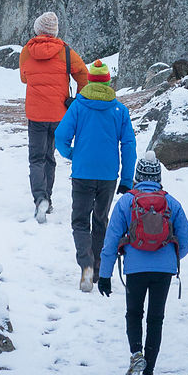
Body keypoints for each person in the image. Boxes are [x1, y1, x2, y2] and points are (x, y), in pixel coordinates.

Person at [96, 153, 188, 375]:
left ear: (138, 176)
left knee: (133, 313)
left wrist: (104, 275)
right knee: (155, 319)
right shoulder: (171, 203)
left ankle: (136, 353)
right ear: (158, 176)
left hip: (135, 268)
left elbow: (110, 243)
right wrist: (171, 258)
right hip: (164, 270)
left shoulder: (126, 202)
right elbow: (187, 240)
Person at [53, 59, 136, 292]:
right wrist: (127, 179)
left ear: (89, 81)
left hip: (82, 173)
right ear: (108, 82)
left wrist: (73, 154)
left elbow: (60, 136)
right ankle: (98, 269)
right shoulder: (119, 110)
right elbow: (129, 145)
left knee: (80, 221)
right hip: (109, 176)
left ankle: (86, 266)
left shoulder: (78, 107)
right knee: (101, 221)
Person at [19, 11, 89, 224]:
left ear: (37, 30)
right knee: (50, 156)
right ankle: (47, 198)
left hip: (36, 114)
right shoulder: (65, 52)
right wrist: (77, 99)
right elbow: (83, 74)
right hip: (59, 114)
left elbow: (24, 78)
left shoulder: (26, 51)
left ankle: (40, 198)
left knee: (36, 158)